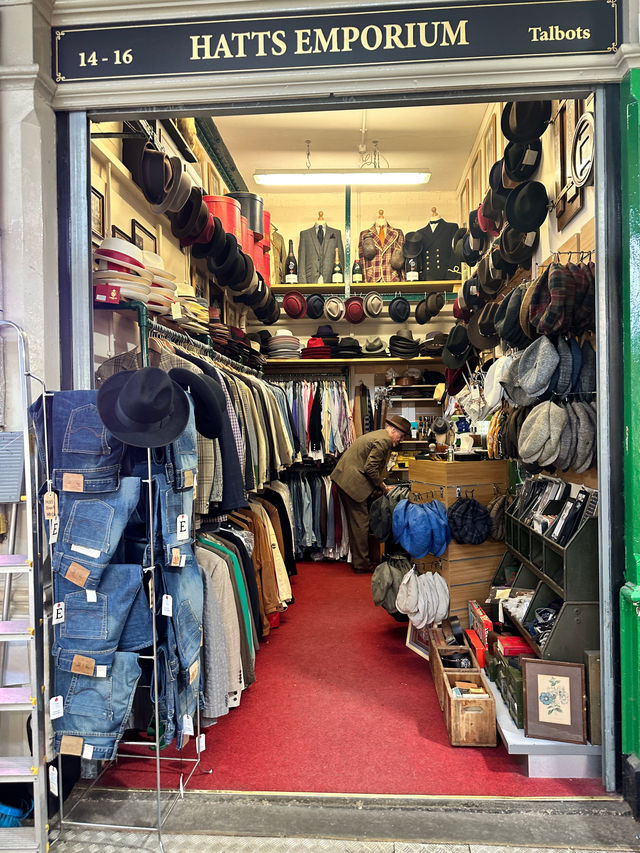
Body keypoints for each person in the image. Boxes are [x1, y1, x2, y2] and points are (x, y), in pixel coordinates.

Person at [331, 414, 411, 573]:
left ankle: (358, 559)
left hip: (345, 478)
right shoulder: (384, 441)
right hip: (351, 483)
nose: (400, 440)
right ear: (393, 430)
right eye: (400, 436)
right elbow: (371, 468)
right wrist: (383, 487)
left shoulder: (378, 435)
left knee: (356, 522)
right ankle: (361, 564)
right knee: (361, 522)